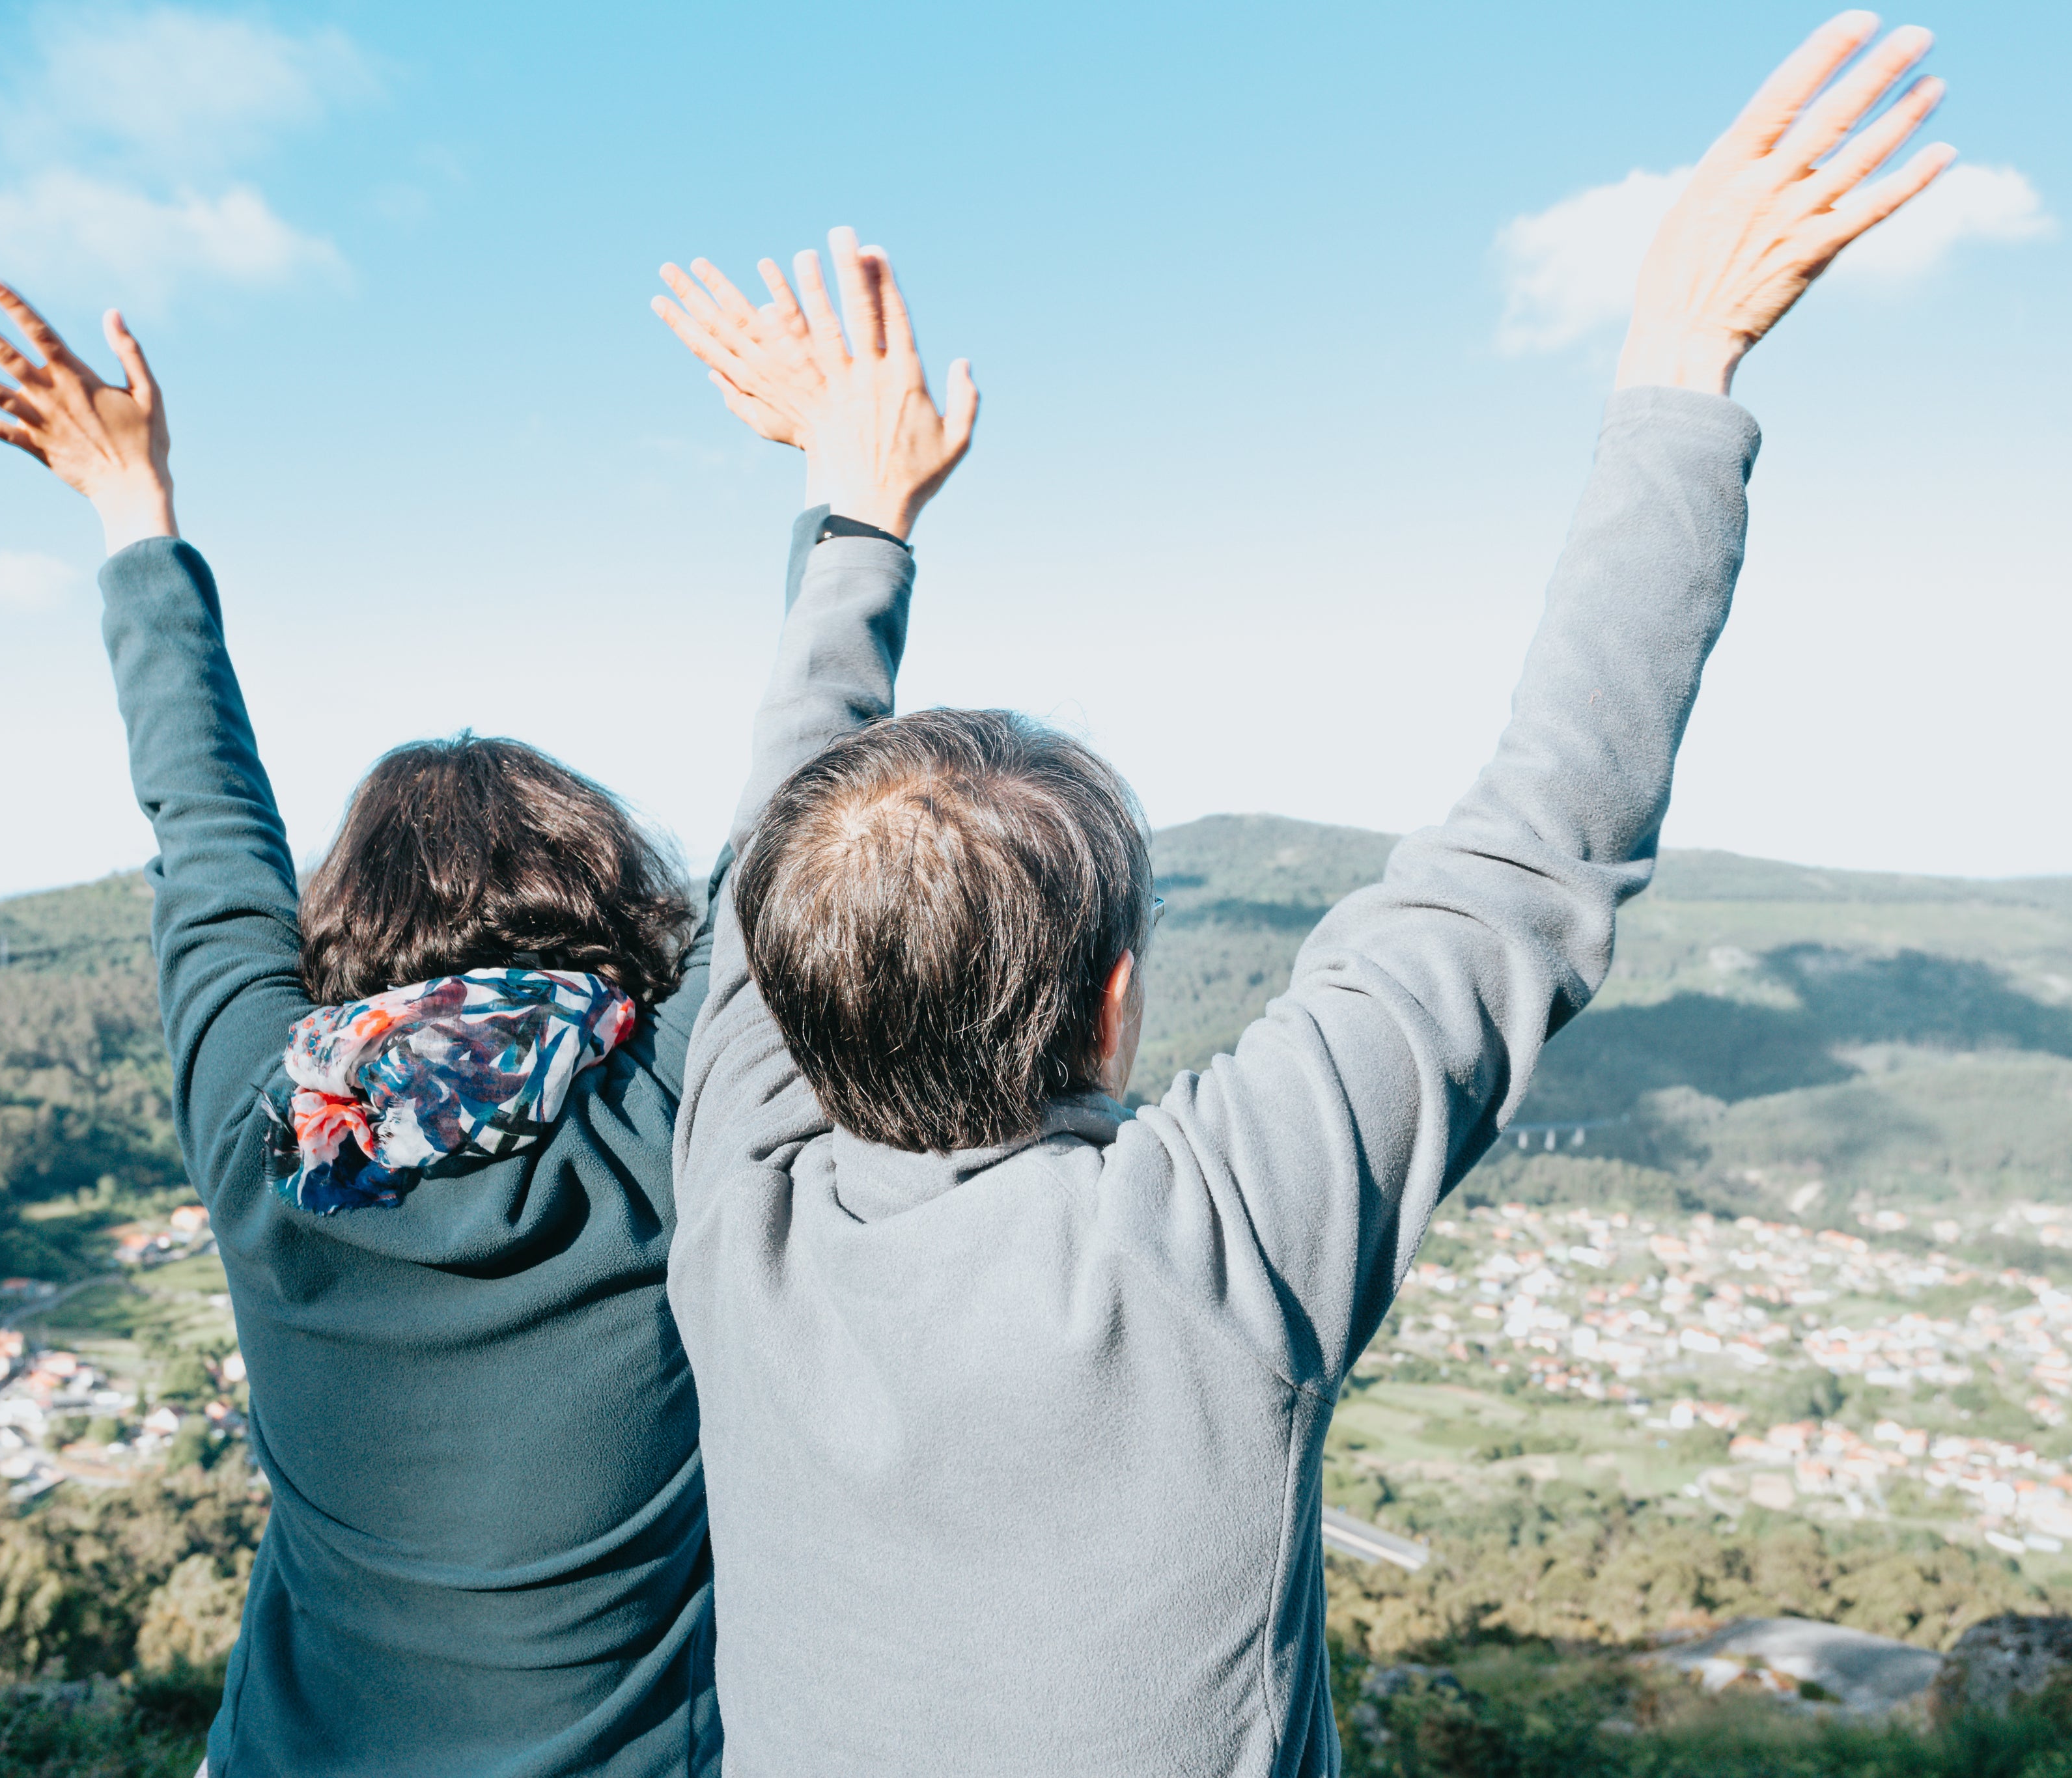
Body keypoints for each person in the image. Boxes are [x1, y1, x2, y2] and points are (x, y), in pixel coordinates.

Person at [649, 14, 1954, 1773]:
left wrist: (854, 512)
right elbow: (1532, 846)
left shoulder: (734, 1209)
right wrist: (1683, 348)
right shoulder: (1200, 1247)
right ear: (1114, 1003)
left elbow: (1532, 849)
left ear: (783, 995)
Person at [0, 287, 723, 1776]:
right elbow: (795, 855)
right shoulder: (669, 1119)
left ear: (337, 930)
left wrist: (133, 508)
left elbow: (204, 820)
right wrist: (858, 512)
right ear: (620, 912)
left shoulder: (271, 1122)